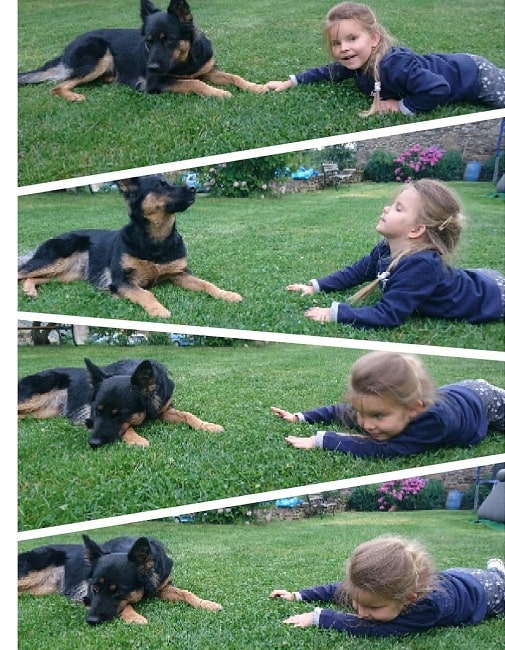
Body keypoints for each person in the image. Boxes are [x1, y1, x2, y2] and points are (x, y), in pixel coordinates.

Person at [284, 178, 505, 328]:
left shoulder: (422, 265)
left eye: (398, 208)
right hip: (481, 277)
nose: (386, 208)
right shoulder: (385, 249)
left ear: (417, 229)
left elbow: (389, 315)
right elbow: (357, 272)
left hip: (493, 295)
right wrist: (316, 286)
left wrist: (335, 313)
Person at [264, 2, 505, 115]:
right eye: (337, 43)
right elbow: (327, 72)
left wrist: (399, 107)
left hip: (474, 75)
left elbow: (438, 89)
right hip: (462, 66)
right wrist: (290, 82)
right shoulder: (356, 63)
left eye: (352, 39)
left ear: (374, 38)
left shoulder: (395, 65)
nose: (344, 49)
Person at [271, 350, 504, 457]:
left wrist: (321, 440)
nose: (366, 424)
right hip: (459, 390)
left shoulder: (433, 423)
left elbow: (384, 449)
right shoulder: (378, 407)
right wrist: (300, 417)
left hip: (485, 401)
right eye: (362, 413)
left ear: (414, 409)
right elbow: (338, 411)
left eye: (377, 417)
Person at [269, 535, 505, 636]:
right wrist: (298, 595)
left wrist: (318, 618)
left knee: (499, 582)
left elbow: (377, 630)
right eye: (357, 602)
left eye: (373, 608)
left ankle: (498, 572)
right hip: (457, 575)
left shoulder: (428, 607)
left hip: (486, 592)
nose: (361, 613)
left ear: (409, 599)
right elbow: (337, 589)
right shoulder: (374, 591)